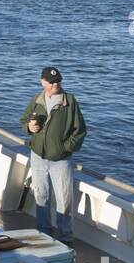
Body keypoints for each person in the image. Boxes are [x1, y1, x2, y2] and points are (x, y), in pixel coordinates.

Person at [19, 66, 86, 240]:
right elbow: (24, 120)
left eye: (58, 81)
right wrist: (28, 127)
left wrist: (64, 148)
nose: (56, 84)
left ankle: (65, 237)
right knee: (41, 195)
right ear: (43, 82)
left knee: (64, 200)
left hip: (61, 160)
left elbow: (80, 131)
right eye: (52, 81)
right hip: (37, 157)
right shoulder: (36, 100)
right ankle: (44, 234)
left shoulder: (69, 102)